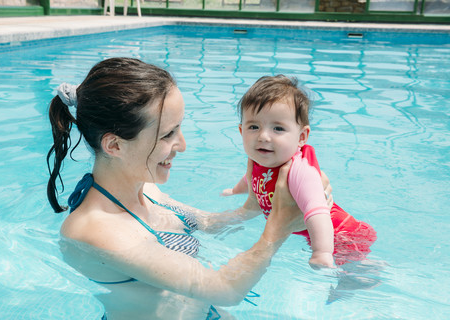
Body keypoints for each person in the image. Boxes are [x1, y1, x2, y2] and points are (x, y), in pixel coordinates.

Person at [46, 58, 332, 320]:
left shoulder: (147, 190)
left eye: (179, 129)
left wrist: (267, 200)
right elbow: (224, 289)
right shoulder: (95, 229)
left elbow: (208, 223)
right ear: (115, 145)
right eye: (168, 134)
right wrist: (279, 227)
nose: (182, 145)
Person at [222, 75, 377, 268]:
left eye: (278, 128)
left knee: (355, 272)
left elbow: (317, 210)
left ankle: (374, 268)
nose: (263, 136)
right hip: (314, 234)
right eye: (253, 126)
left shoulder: (299, 171)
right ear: (240, 131)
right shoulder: (261, 161)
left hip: (341, 235)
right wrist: (235, 191)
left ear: (302, 137)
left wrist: (321, 252)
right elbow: (250, 180)